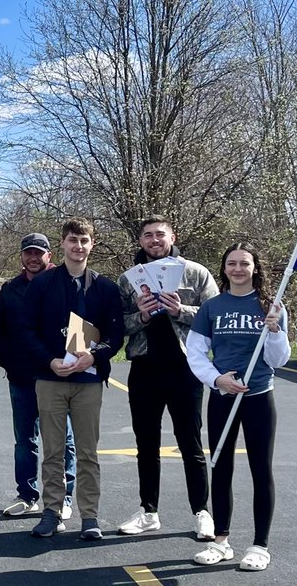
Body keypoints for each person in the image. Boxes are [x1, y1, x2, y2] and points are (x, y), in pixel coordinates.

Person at [185, 243, 289, 572]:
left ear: (255, 268)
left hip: (259, 397)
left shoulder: (271, 306)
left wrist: (273, 330)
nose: (238, 269)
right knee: (222, 467)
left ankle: (260, 545)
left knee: (261, 470)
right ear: (224, 268)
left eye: (244, 263)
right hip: (224, 398)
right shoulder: (212, 307)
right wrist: (218, 381)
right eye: (231, 263)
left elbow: (279, 360)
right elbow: (196, 353)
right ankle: (221, 541)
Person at [115, 216, 219, 540]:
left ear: (172, 236)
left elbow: (215, 318)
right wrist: (142, 315)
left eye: (160, 234)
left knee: (191, 443)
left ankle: (202, 511)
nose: (154, 239)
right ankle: (148, 511)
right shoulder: (126, 279)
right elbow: (118, 326)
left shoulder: (196, 273)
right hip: (144, 369)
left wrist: (180, 311)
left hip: (186, 369)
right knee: (146, 444)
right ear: (141, 240)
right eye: (148, 235)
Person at [24, 218, 124, 541]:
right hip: (50, 379)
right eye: (72, 240)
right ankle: (51, 512)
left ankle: (89, 517)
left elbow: (116, 335)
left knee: (87, 452)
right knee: (52, 450)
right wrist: (49, 360)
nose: (78, 246)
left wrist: (95, 357)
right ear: (62, 244)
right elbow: (26, 331)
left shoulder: (105, 288)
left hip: (89, 382)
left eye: (83, 240)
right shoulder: (42, 285)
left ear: (91, 245)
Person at [0, 233, 76, 519]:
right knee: (24, 440)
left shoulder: (64, 283)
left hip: (57, 377)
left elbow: (79, 326)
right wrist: (9, 365)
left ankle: (64, 497)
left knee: (62, 439)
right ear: (22, 257)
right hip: (22, 378)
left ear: (49, 256)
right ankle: (27, 495)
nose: (33, 258)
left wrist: (71, 363)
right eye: (28, 253)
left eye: (38, 253)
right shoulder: (11, 289)